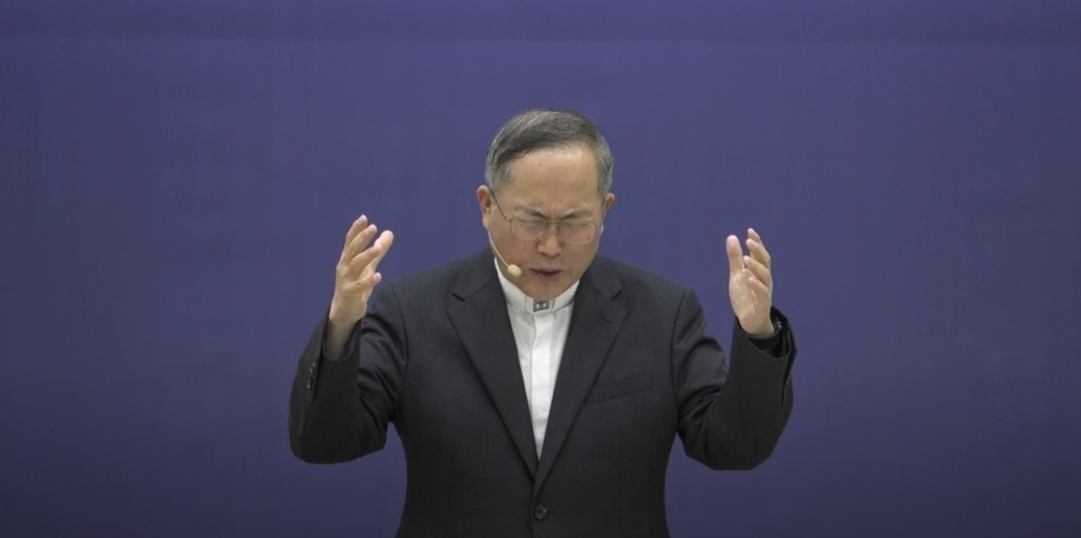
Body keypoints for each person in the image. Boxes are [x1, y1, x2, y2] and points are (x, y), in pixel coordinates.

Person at [289, 108, 797, 537]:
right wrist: (342, 324)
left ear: (604, 211)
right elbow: (324, 442)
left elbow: (735, 447)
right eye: (530, 220)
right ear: (487, 206)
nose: (551, 246)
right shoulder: (412, 310)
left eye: (574, 222)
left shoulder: (663, 313)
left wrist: (758, 333)